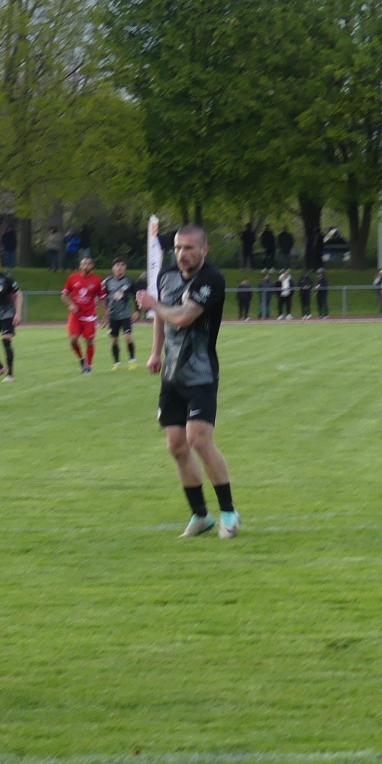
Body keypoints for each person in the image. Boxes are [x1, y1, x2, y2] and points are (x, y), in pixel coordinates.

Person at [137, 224, 238, 541]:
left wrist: (153, 304)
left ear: (204, 250)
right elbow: (161, 317)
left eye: (189, 248)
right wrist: (155, 352)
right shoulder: (166, 276)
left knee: (199, 440)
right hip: (171, 376)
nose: (182, 253)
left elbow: (182, 317)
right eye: (178, 247)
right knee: (176, 445)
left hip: (201, 374)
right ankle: (200, 516)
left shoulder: (211, 280)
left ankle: (229, 513)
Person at [62, 254, 104, 373]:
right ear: (80, 266)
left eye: (89, 263)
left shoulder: (97, 280)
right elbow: (64, 295)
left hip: (89, 315)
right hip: (75, 314)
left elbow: (102, 298)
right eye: (84, 263)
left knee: (89, 340)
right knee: (73, 340)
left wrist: (105, 316)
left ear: (92, 265)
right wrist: (71, 304)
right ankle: (81, 358)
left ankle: (88, 366)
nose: (86, 266)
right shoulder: (73, 277)